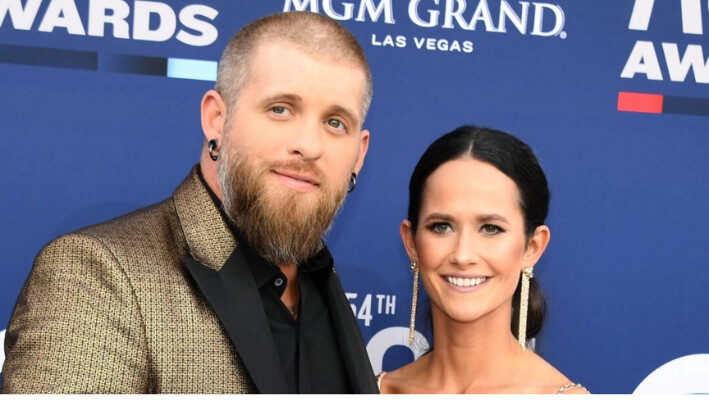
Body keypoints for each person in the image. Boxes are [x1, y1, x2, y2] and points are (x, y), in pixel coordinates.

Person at [2, 11, 378, 394]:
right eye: (280, 109)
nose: (309, 146)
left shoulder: (323, 283)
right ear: (217, 118)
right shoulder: (96, 276)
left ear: (359, 154)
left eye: (335, 123)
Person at [378, 126, 588, 394]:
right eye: (442, 227)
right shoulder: (377, 389)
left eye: (491, 228)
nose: (463, 256)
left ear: (532, 248)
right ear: (411, 242)